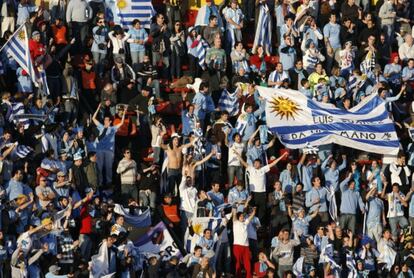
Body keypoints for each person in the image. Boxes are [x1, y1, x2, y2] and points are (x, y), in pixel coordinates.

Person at [92, 103, 126, 186]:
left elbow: (121, 122)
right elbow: (93, 118)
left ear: (110, 121)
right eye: (105, 120)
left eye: (107, 120)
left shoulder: (113, 128)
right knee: (99, 167)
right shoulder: (101, 126)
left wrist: (124, 112)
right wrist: (98, 107)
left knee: (109, 168)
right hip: (100, 149)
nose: (105, 121)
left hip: (109, 151)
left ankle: (108, 182)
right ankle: (99, 183)